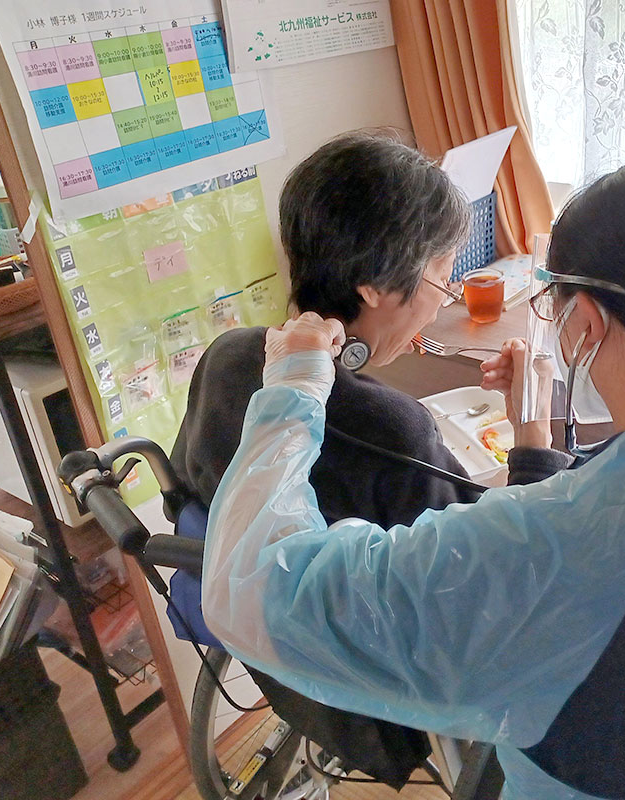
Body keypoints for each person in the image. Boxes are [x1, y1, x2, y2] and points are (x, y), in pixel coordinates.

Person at [201, 156, 625, 799]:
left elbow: (254, 590)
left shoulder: (549, 544)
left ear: (585, 321)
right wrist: (535, 438)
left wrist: (291, 391)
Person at [170, 132, 570, 787]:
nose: (442, 298)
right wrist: (533, 435)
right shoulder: (393, 431)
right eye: (442, 278)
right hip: (375, 691)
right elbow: (505, 579)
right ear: (377, 286)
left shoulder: (229, 356)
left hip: (276, 659)